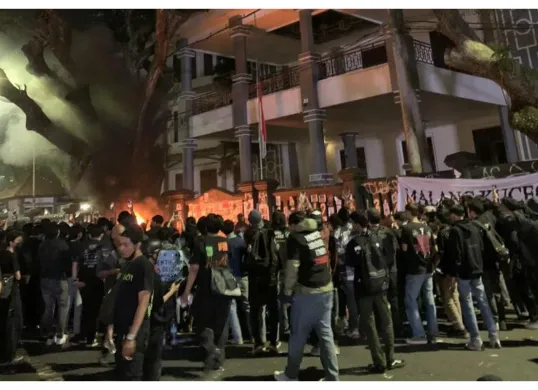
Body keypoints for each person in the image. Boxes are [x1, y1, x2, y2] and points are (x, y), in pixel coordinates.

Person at [274, 211, 338, 381]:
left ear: (294, 225)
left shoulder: (295, 239)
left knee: (297, 335)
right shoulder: (316, 233)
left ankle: (291, 374)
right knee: (326, 335)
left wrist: (287, 291)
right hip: (326, 288)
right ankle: (333, 377)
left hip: (307, 292)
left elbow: (293, 267)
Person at [346, 212, 405, 374]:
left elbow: (350, 267)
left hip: (363, 288)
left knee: (370, 324)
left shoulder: (353, 243)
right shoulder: (380, 236)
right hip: (381, 284)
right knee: (387, 321)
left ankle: (378, 361)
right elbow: (390, 258)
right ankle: (390, 358)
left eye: (353, 223)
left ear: (358, 224)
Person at [180, 213, 233, 375]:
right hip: (224, 287)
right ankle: (219, 354)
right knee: (221, 322)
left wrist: (186, 291)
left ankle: (211, 352)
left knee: (202, 324)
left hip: (206, 289)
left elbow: (194, 269)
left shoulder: (201, 242)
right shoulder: (224, 241)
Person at [446, 203, 501, 351]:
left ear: (453, 215)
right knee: (483, 301)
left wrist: (453, 273)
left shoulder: (455, 231)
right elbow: (482, 248)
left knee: (468, 303)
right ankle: (494, 336)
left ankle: (476, 339)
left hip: (464, 272)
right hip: (477, 268)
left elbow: (456, 254)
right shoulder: (475, 227)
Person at [113, 225, 154, 380]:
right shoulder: (127, 265)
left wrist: (131, 337)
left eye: (125, 245)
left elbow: (143, 302)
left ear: (137, 245)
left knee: (132, 375)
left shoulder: (143, 266)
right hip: (122, 327)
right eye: (119, 245)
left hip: (134, 331)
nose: (121, 249)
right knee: (121, 373)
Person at [142, 238, 181, 381]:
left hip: (143, 318)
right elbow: (158, 301)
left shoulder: (140, 269)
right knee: (154, 354)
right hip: (155, 318)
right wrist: (173, 290)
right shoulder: (154, 275)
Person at [400, 203, 438, 345]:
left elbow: (404, 248)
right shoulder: (427, 228)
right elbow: (435, 247)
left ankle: (419, 333)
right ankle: (433, 332)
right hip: (428, 267)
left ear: (409, 213)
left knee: (411, 300)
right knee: (429, 300)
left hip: (414, 268)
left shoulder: (406, 228)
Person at [244, 210, 280, 354]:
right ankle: (273, 341)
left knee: (255, 310)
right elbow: (276, 254)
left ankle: (258, 342)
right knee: (272, 309)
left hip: (254, 277)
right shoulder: (270, 233)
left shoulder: (248, 234)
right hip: (270, 277)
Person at [72, 224, 106, 347]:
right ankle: (91, 338)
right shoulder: (104, 247)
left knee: (85, 309)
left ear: (89, 234)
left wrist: (75, 279)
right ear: (101, 235)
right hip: (98, 281)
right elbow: (109, 263)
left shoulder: (81, 246)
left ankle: (83, 335)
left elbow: (75, 263)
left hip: (83, 281)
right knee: (95, 310)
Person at [38, 223, 72, 346]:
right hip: (60, 279)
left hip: (45, 278)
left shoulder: (42, 245)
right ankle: (60, 334)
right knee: (63, 306)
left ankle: (47, 331)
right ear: (57, 233)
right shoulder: (62, 245)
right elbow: (68, 263)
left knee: (48, 307)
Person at [222, 219, 249, 345]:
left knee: (231, 306)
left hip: (230, 278)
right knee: (246, 305)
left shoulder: (224, 243)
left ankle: (237, 337)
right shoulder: (241, 240)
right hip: (243, 276)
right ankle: (251, 334)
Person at [0, 231, 24, 364]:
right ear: (11, 242)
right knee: (13, 322)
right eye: (17, 241)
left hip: (3, 290)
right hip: (12, 291)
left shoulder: (1, 253)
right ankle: (10, 353)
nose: (19, 243)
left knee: (4, 320)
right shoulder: (12, 256)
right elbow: (18, 276)